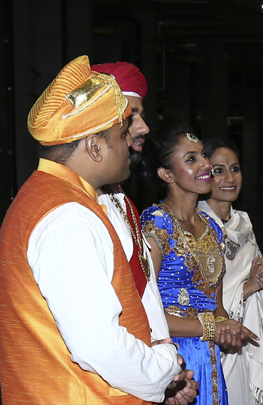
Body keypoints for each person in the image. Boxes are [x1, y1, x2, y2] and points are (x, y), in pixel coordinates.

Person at [0, 55, 196, 403]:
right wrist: (165, 369)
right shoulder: (69, 216)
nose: (129, 143)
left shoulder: (52, 195)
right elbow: (98, 345)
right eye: (121, 135)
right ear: (93, 146)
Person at [141, 119, 259, 405]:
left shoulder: (211, 226)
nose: (205, 164)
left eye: (203, 155)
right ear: (166, 174)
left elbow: (214, 307)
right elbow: (146, 314)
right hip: (176, 363)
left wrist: (228, 327)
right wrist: (212, 328)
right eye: (191, 159)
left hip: (210, 361)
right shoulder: (155, 224)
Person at [198, 137, 263, 405]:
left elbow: (252, 273)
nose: (229, 178)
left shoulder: (243, 222)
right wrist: (247, 288)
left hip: (248, 331)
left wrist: (261, 277)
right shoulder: (196, 225)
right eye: (218, 170)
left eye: (234, 169)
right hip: (213, 340)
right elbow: (200, 294)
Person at [91, 61, 170, 343]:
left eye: (141, 115)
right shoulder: (78, 208)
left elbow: (146, 292)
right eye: (130, 115)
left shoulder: (122, 201)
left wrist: (163, 351)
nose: (144, 127)